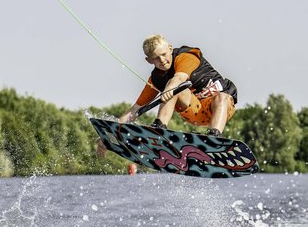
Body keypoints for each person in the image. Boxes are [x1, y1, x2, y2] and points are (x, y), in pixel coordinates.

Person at [97, 34, 238, 157]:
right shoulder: (156, 79)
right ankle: (159, 130)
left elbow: (179, 78)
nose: (162, 60)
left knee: (219, 96)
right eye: (156, 58)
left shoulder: (187, 56)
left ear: (170, 48)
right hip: (194, 111)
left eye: (164, 54)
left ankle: (214, 139)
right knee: (176, 88)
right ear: (149, 60)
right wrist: (109, 134)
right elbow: (135, 109)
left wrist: (169, 89)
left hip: (221, 109)